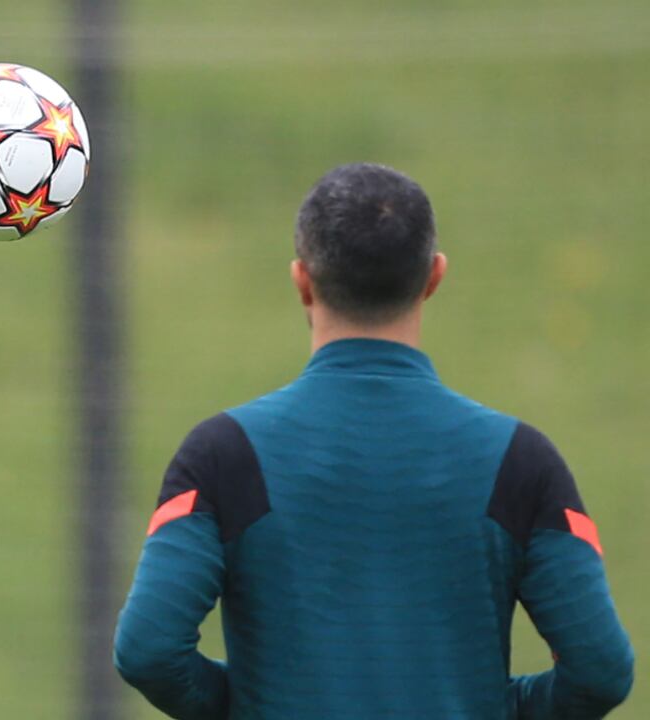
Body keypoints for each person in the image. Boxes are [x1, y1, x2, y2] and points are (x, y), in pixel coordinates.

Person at [113, 163, 633, 719]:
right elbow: (599, 670)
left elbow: (149, 650)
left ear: (302, 280)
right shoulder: (522, 462)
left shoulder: (222, 455)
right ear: (434, 277)